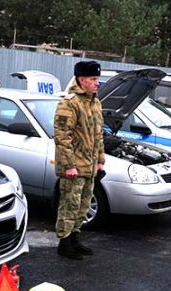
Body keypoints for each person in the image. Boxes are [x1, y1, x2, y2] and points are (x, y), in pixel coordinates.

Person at [53, 61, 105, 260]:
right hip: (74, 166)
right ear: (81, 80)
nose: (96, 83)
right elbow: (62, 136)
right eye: (93, 79)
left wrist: (100, 160)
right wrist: (69, 165)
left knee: (83, 206)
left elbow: (98, 135)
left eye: (97, 79)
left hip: (90, 165)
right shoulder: (69, 102)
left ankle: (75, 238)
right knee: (69, 204)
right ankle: (64, 242)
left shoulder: (95, 102)